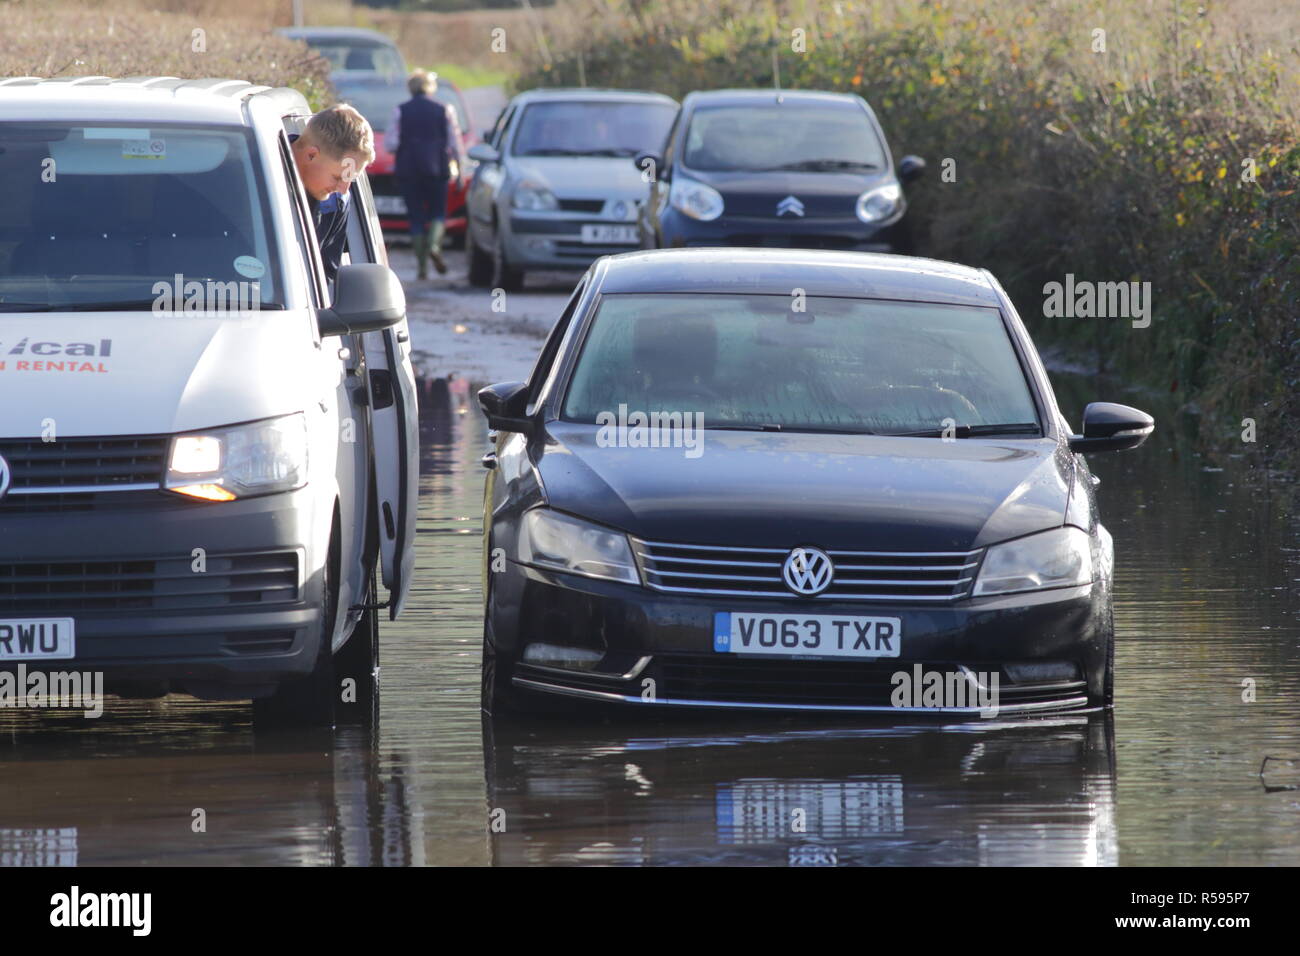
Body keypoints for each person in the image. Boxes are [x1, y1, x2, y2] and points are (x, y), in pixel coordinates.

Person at [387, 69, 466, 279]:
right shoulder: (444, 109)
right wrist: (460, 172)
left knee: (415, 217)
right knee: (439, 212)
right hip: (437, 168)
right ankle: (434, 247)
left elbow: (391, 143)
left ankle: (422, 268)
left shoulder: (400, 110)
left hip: (408, 169)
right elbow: (455, 143)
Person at [290, 104, 376, 282]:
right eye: (337, 177)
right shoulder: (255, 178)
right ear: (311, 155)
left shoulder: (336, 201)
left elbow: (325, 276)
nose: (343, 190)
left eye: (350, 179)